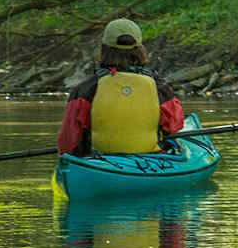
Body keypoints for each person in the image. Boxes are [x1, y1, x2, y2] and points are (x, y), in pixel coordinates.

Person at [56, 18, 183, 156]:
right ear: (140, 49)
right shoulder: (159, 86)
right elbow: (174, 125)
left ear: (104, 49)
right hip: (150, 161)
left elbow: (67, 141)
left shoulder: (85, 89)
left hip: (99, 163)